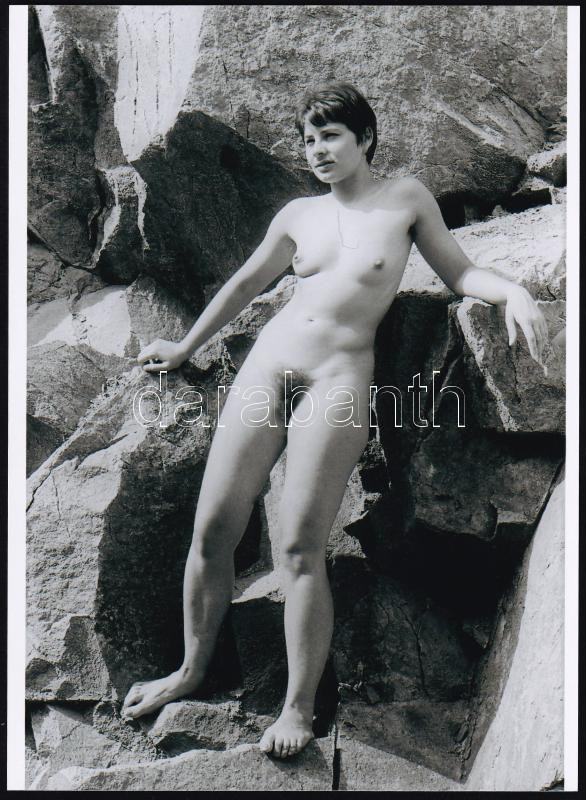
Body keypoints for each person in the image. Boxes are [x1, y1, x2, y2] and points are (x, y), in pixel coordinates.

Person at [121, 83, 548, 757]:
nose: (317, 150)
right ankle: (190, 669)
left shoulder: (405, 200)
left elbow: (461, 273)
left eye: (331, 136)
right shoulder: (298, 214)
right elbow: (245, 284)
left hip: (339, 382)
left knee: (297, 546)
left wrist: (513, 290)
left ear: (365, 138)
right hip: (269, 368)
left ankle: (296, 709)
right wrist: (184, 347)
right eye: (308, 139)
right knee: (212, 529)